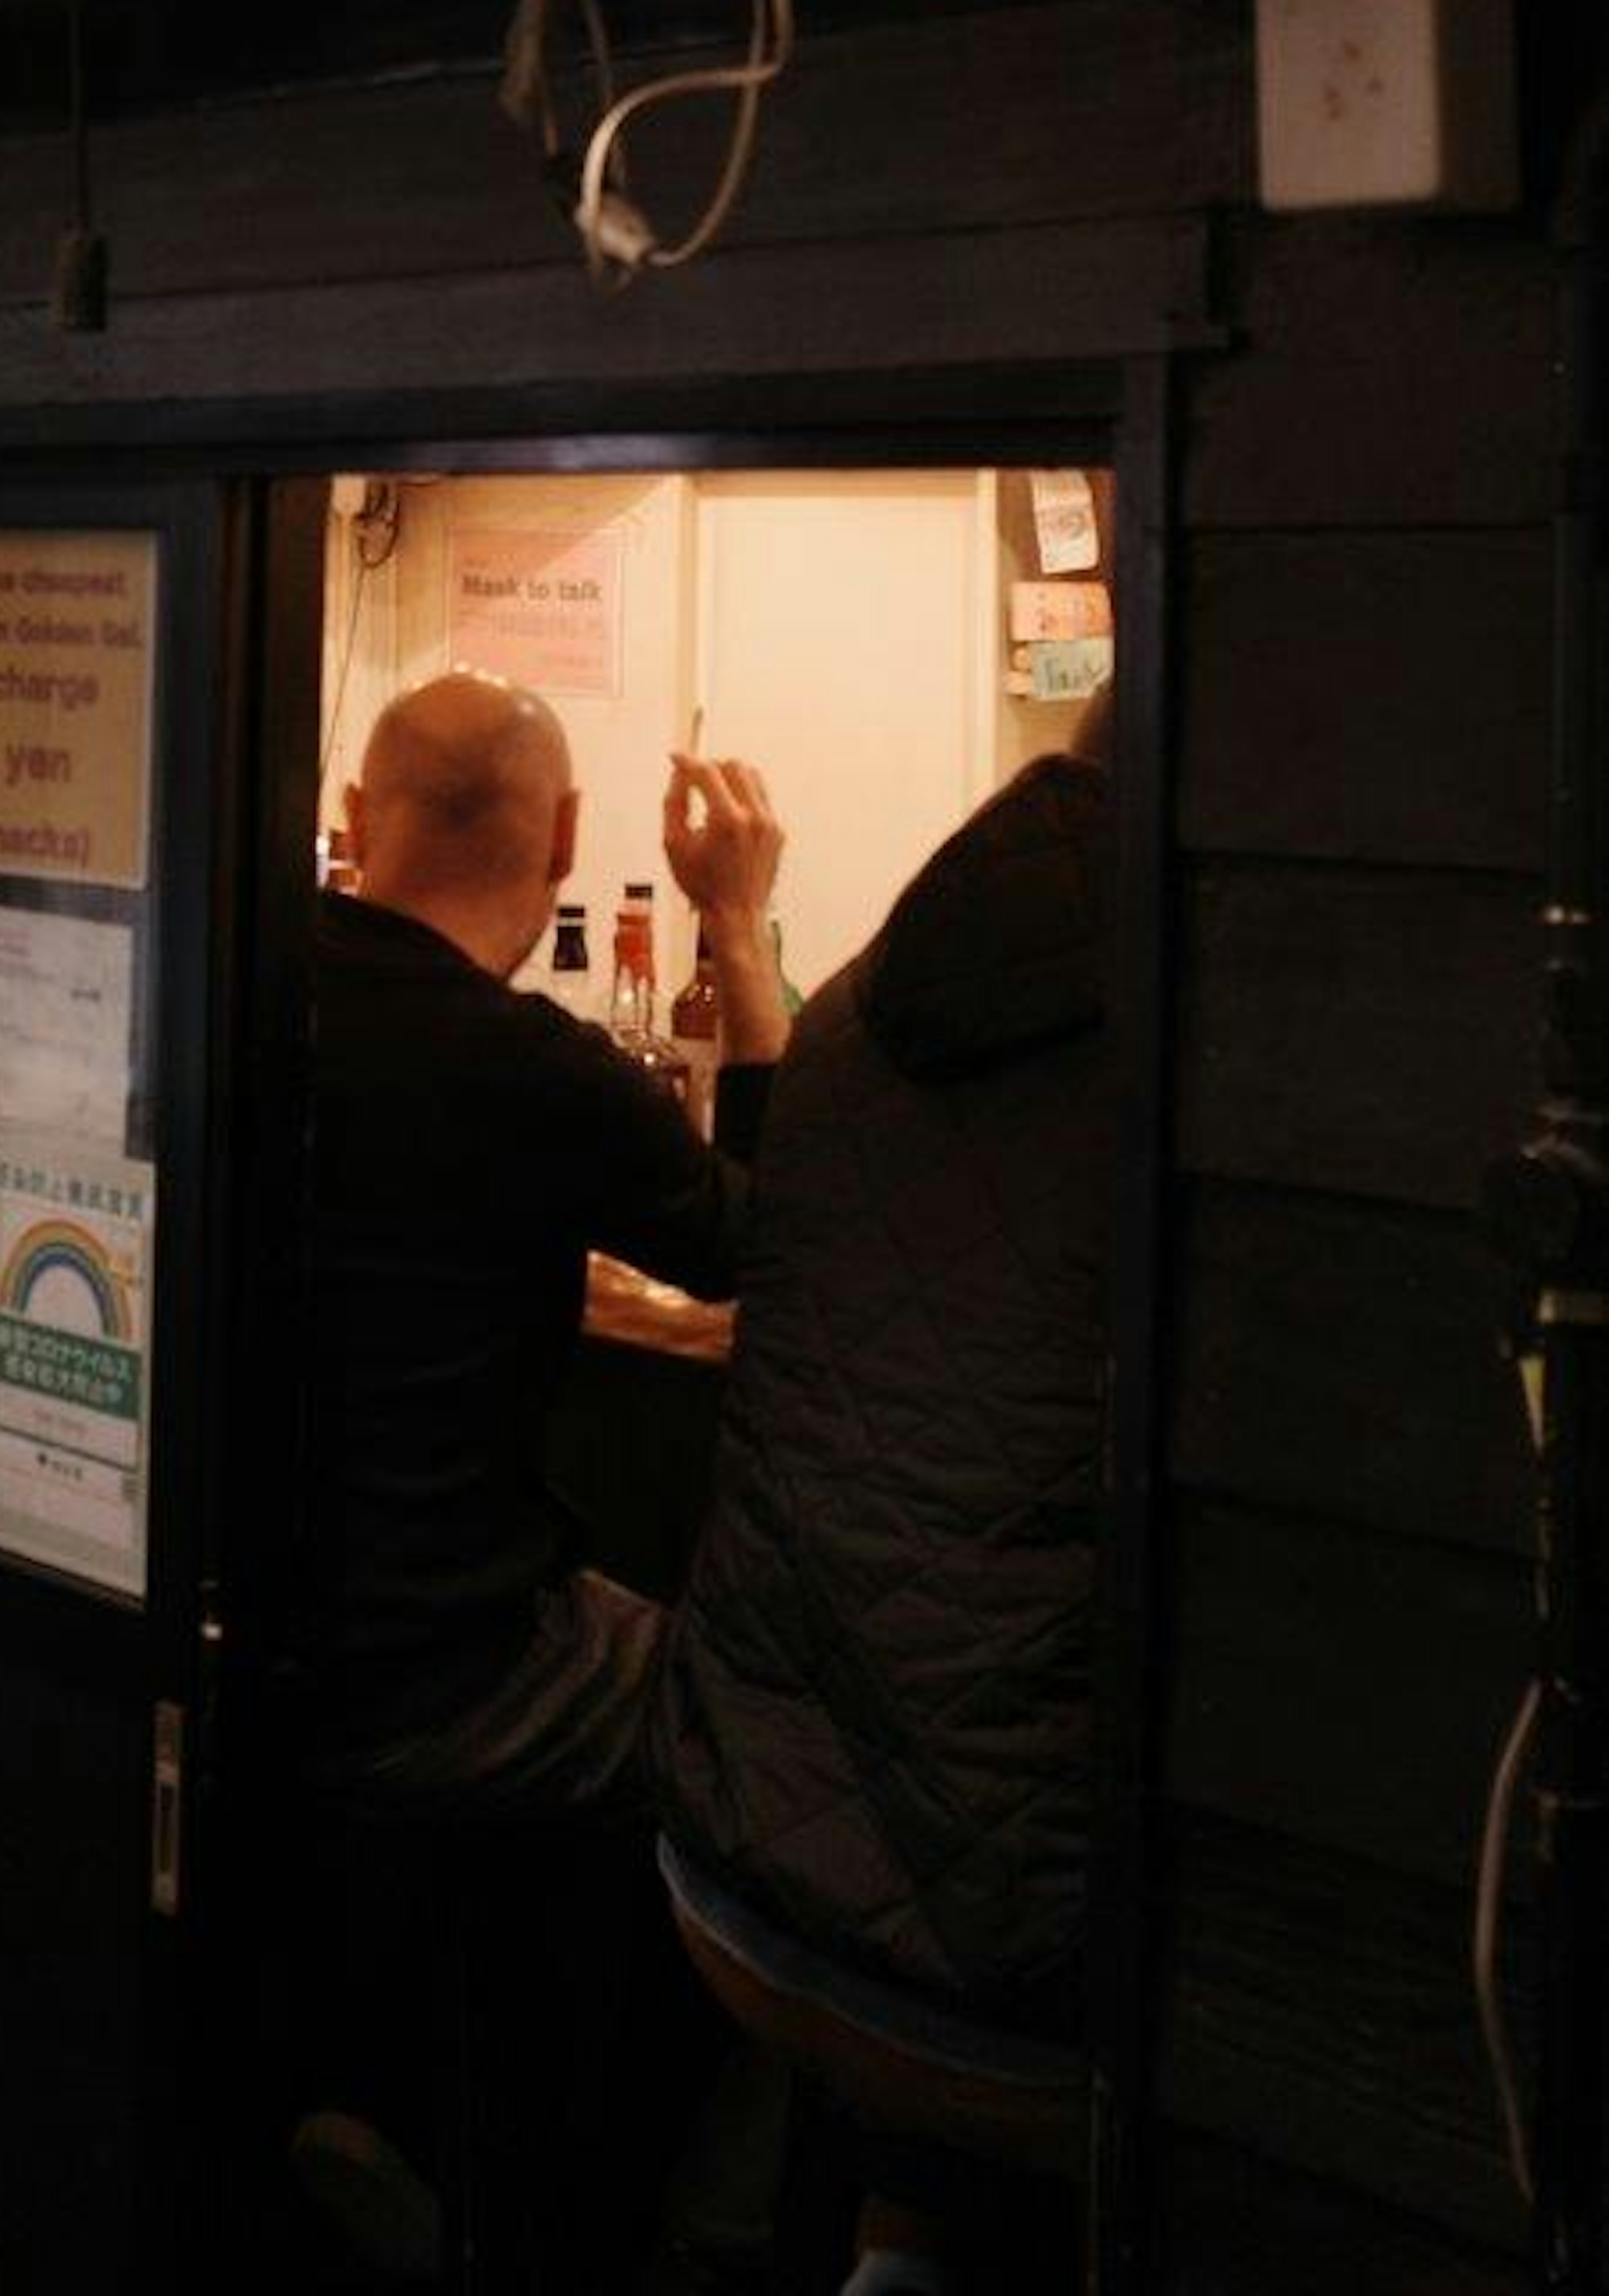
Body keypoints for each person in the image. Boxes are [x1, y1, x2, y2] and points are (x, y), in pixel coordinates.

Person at [644, 710, 1113, 2296]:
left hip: (734, 1864)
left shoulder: (852, 1019)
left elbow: (753, 1239)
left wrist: (735, 931)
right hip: (1000, 1977)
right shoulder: (1210, 1078)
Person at [295, 670, 788, 1815]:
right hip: (447, 1672)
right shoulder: (542, 1074)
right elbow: (773, 1241)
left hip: (244, 1628)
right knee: (745, 1707)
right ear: (566, 834)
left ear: (361, 815)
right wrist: (736, 925)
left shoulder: (247, 984)